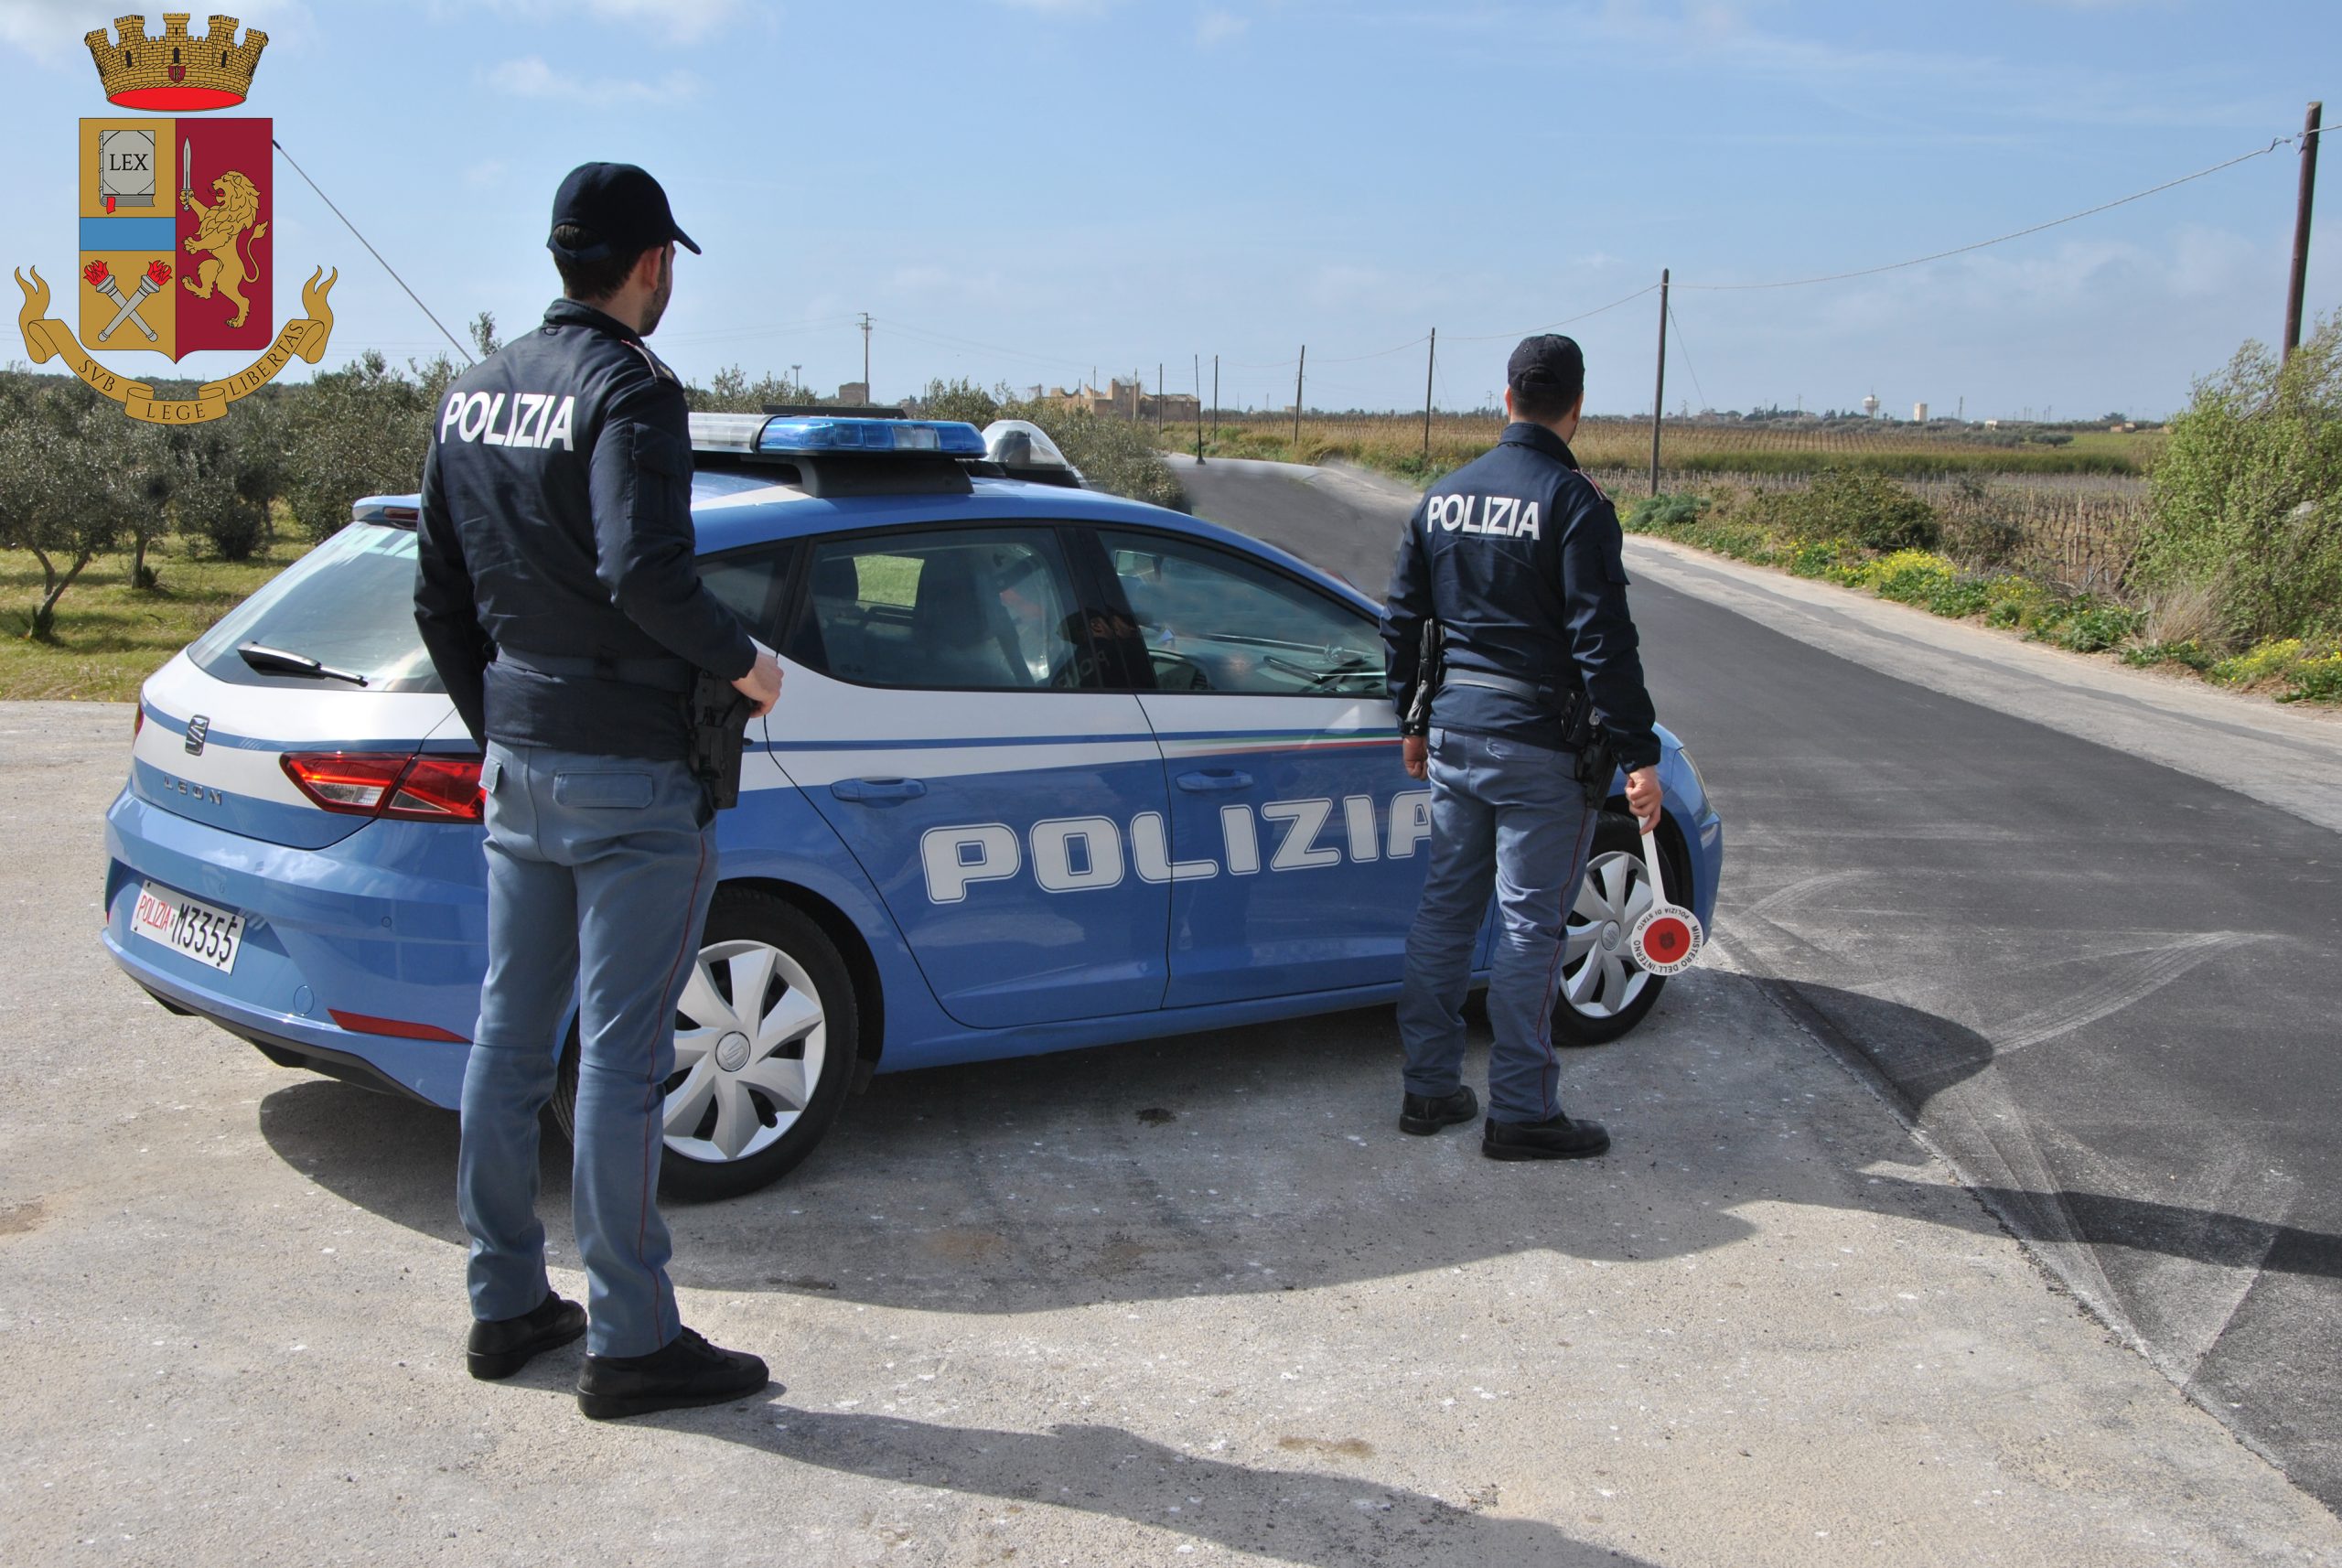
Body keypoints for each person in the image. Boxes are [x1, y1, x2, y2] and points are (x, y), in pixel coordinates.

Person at [414, 162, 785, 1419]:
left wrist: (511, 729)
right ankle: (631, 1339)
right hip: (632, 775)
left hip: (519, 762)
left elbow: (439, 600)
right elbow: (645, 572)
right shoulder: (631, 390)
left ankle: (506, 1301)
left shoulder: (470, 397)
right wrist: (751, 663)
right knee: (626, 1063)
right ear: (652, 265)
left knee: (511, 1040)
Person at [1380, 334, 1663, 1162]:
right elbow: (1602, 642)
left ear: (1505, 399)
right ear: (1576, 408)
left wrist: (1411, 719)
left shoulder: (1442, 497)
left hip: (1455, 736)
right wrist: (1639, 752)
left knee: (1445, 911)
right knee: (1531, 928)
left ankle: (1429, 1091)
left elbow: (1402, 620)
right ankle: (1521, 1111)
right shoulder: (1574, 502)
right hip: (1541, 748)